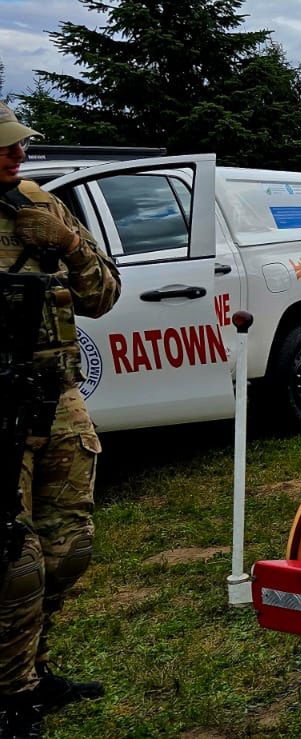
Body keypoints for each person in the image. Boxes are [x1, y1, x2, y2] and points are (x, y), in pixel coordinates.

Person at [0, 102, 121, 737]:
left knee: (68, 545)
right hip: (1, 404)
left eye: (19, 145)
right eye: (5, 148)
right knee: (13, 557)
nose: (18, 155)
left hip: (58, 392)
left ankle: (32, 669)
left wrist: (69, 243)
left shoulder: (41, 202)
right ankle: (9, 692)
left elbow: (104, 295)